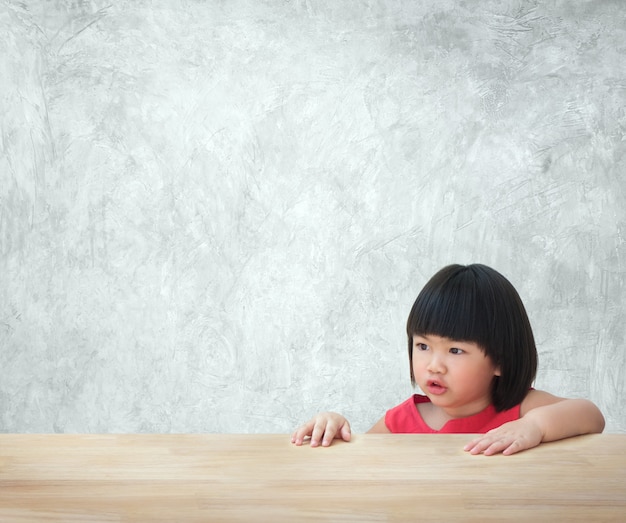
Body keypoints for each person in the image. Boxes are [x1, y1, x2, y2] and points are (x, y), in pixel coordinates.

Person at [291, 263, 605, 455]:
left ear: (500, 360)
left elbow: (591, 415)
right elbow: (359, 463)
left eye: (455, 350)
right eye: (423, 346)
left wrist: (535, 426)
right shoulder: (400, 421)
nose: (434, 365)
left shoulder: (520, 410)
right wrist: (333, 427)